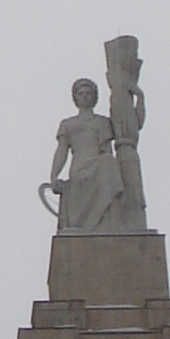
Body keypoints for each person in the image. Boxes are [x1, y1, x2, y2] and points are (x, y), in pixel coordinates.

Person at [44, 77, 124, 233]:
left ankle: (106, 223)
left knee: (108, 161)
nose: (85, 96)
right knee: (104, 164)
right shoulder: (68, 124)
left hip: (99, 166)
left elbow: (106, 149)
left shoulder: (102, 122)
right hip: (79, 168)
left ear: (94, 97)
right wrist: (53, 176)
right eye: (81, 93)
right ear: (75, 98)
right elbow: (61, 151)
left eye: (89, 93)